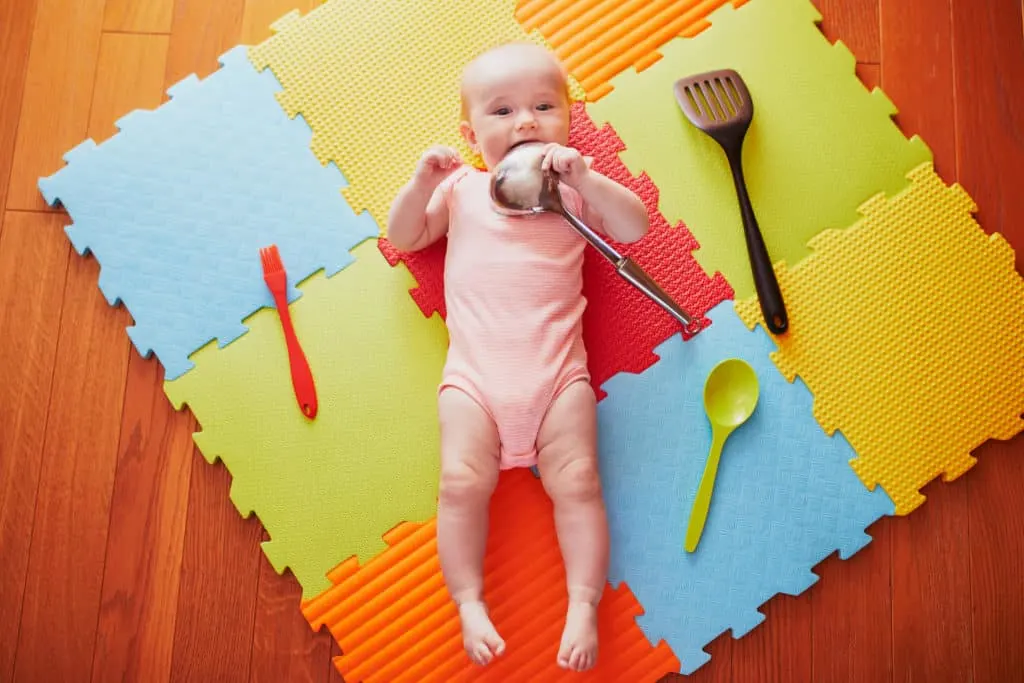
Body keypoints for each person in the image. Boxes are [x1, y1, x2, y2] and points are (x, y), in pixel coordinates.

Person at [386, 41, 649, 672]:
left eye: (543, 106)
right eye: (501, 112)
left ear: (568, 118)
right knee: (458, 485)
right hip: (475, 381)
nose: (526, 122)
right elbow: (405, 238)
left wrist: (585, 176)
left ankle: (583, 603)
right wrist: (422, 181)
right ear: (470, 135)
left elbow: (634, 228)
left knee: (581, 482)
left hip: (558, 376)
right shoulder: (462, 191)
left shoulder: (575, 192)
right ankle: (469, 600)